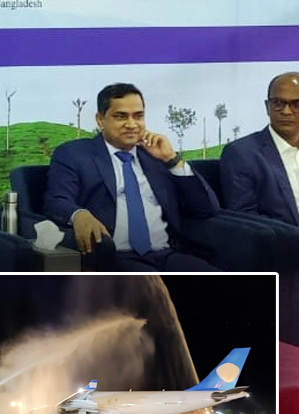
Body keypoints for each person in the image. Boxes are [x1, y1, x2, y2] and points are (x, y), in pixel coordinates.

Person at [44, 83, 222, 272]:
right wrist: (79, 215)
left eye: (138, 116)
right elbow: (55, 201)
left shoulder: (155, 157)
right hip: (114, 259)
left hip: (166, 254)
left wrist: (172, 159)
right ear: (100, 120)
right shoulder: (74, 154)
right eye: (120, 116)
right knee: (151, 284)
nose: (131, 124)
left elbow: (206, 209)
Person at [220, 72, 299, 226]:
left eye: (296, 104)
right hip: (282, 239)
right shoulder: (241, 153)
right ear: (267, 107)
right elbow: (246, 218)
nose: (286, 111)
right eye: (278, 103)